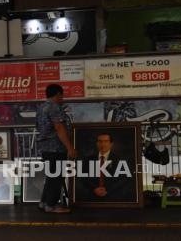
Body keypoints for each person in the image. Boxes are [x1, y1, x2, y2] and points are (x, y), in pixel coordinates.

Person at [36, 84, 77, 213]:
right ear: (58, 94)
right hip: (56, 147)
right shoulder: (55, 107)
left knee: (51, 176)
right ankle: (51, 205)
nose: (62, 98)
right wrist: (70, 148)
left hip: (45, 148)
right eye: (62, 95)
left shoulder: (41, 107)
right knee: (56, 177)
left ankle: (44, 202)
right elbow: (59, 128)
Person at [75, 133, 135, 202]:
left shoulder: (119, 159)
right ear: (96, 143)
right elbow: (83, 178)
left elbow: (123, 178)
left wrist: (108, 190)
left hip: (114, 197)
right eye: (100, 141)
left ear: (111, 144)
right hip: (91, 197)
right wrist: (94, 189)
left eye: (106, 141)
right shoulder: (88, 159)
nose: (102, 144)